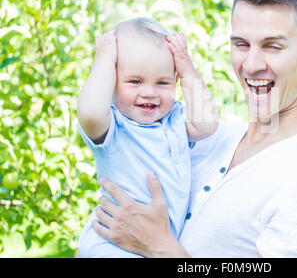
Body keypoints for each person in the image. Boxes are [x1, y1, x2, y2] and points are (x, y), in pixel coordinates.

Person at [83, 0, 297, 258]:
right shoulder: (206, 137)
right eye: (241, 44)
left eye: (273, 46)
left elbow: (149, 239)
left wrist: (160, 248)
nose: (251, 65)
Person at [76, 17, 218, 257]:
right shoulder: (115, 127)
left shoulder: (174, 119)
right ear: (111, 82)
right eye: (135, 81)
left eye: (162, 82)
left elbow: (207, 124)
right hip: (113, 244)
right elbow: (89, 113)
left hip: (150, 245)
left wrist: (186, 67)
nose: (149, 92)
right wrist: (103, 62)